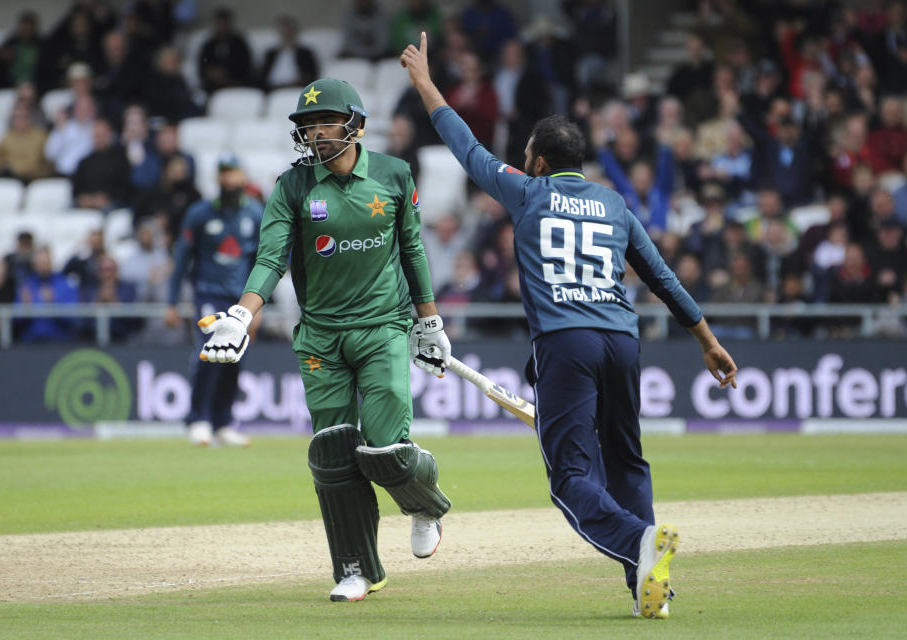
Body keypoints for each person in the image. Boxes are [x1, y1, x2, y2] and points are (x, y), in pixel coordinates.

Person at [401, 32, 738, 619]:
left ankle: (637, 541)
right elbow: (660, 277)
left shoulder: (527, 192)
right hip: (622, 340)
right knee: (628, 461)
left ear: (536, 161)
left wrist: (426, 83)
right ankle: (646, 584)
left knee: (571, 477)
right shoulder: (613, 204)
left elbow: (465, 146)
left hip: (566, 341)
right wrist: (707, 339)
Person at [195, 77, 451, 603]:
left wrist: (429, 323)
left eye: (323, 122)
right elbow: (269, 259)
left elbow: (413, 251)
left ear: (355, 124)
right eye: (306, 126)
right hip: (320, 338)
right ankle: (356, 569)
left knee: (384, 451)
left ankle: (426, 502)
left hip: (382, 328)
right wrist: (241, 316)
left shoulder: (394, 175)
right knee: (334, 453)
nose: (314, 134)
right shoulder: (292, 186)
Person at [165, 153, 262, 448]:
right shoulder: (200, 213)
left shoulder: (255, 214)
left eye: (232, 173)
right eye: (223, 173)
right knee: (210, 351)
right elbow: (181, 260)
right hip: (208, 292)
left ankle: (222, 423)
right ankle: (197, 420)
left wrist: (258, 307)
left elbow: (263, 262)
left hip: (241, 300)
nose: (228, 179)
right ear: (217, 178)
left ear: (242, 177)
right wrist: (171, 302)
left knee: (234, 358)